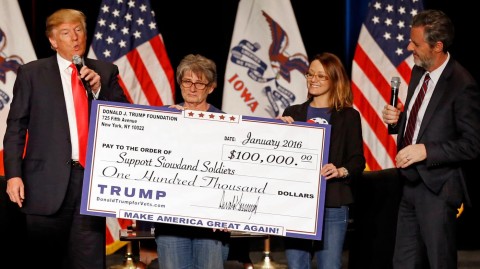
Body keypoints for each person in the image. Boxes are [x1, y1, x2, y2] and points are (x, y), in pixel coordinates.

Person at [3, 9, 129, 269]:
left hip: (89, 182)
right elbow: (16, 126)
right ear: (52, 40)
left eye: (78, 30)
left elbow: (126, 119)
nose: (74, 37)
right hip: (44, 183)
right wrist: (13, 174)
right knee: (46, 260)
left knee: (89, 261)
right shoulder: (32, 73)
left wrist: (99, 91)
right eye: (65, 32)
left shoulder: (105, 72)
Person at [382, 10, 480, 269]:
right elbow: (423, 124)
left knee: (439, 263)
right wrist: (397, 122)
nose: (408, 46)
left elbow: (471, 144)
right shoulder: (418, 71)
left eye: (415, 43)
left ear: (438, 46)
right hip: (409, 185)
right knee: (402, 262)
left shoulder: (462, 84)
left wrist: (426, 150)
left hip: (438, 189)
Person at [278, 52, 366, 269]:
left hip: (332, 203)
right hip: (296, 203)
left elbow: (357, 160)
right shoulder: (293, 113)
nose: (313, 80)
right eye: (310, 74)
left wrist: (340, 171)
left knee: (330, 266)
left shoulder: (348, 116)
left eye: (321, 76)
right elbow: (278, 160)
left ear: (335, 79)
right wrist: (277, 132)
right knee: (297, 265)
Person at [154, 53, 230, 269]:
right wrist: (167, 124)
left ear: (211, 87)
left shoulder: (228, 124)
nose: (193, 88)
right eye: (187, 81)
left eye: (200, 83)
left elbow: (234, 173)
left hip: (211, 223)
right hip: (171, 220)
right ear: (180, 84)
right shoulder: (161, 119)